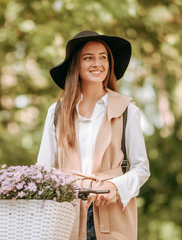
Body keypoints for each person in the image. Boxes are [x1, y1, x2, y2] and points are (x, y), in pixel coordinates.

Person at [37, 31, 150, 240]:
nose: (97, 63)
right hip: (66, 213)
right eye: (88, 57)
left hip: (113, 214)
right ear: (76, 66)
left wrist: (115, 185)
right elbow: (44, 170)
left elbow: (141, 169)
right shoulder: (57, 112)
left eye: (103, 57)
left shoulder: (127, 110)